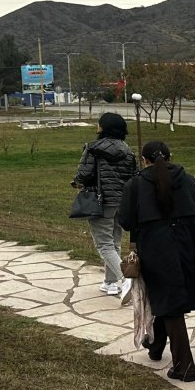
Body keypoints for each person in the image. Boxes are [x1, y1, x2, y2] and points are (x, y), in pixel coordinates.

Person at [116, 140, 195, 382]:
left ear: (143, 159)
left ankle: (184, 366)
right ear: (170, 156)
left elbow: (125, 219)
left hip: (157, 247)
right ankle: (155, 347)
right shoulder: (188, 179)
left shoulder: (136, 184)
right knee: (168, 298)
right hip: (188, 245)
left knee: (170, 303)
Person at [72, 112, 137, 296]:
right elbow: (133, 176)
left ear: (103, 127)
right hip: (122, 202)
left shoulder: (93, 149)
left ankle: (126, 280)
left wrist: (76, 182)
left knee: (104, 245)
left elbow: (83, 174)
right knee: (114, 242)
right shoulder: (127, 150)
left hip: (101, 201)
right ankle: (110, 282)